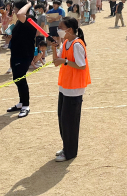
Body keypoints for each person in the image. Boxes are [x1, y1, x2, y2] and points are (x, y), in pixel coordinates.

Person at [52, 17, 90, 162]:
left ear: (70, 29)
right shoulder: (66, 42)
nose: (59, 29)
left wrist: (66, 61)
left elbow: (82, 66)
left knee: (70, 122)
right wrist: (54, 47)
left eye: (61, 27)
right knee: (62, 119)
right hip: (65, 86)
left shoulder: (77, 44)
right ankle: (66, 146)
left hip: (74, 89)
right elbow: (56, 62)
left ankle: (70, 152)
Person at [6, 0, 37, 118]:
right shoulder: (19, 21)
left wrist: (29, 4)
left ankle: (26, 105)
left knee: (21, 79)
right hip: (16, 52)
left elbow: (20, 15)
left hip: (24, 53)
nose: (13, 11)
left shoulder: (30, 19)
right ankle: (21, 102)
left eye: (15, 8)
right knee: (16, 78)